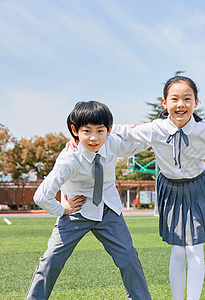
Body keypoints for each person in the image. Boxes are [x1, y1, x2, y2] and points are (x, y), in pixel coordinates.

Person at [26, 101, 151, 300]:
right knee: (51, 259)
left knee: (128, 257)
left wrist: (147, 129)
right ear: (75, 131)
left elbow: (141, 139)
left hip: (108, 209)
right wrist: (61, 209)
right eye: (86, 131)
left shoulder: (111, 142)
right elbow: (40, 196)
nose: (94, 138)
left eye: (100, 131)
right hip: (77, 212)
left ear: (108, 130)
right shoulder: (69, 159)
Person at [110, 76, 205, 300]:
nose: (181, 104)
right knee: (178, 249)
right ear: (165, 102)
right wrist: (83, 135)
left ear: (196, 102)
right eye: (175, 99)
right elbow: (121, 131)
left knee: (194, 248)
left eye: (187, 99)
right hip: (170, 189)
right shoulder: (155, 129)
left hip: (198, 187)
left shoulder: (204, 129)